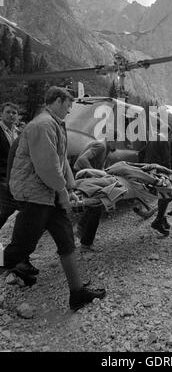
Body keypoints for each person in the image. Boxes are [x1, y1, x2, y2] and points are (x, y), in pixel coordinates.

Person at [2, 86, 106, 311]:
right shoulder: (43, 125)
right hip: (35, 196)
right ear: (57, 101)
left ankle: (77, 293)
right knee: (18, 249)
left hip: (48, 196)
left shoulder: (56, 125)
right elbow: (47, 168)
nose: (70, 110)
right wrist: (63, 193)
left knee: (66, 240)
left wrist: (71, 187)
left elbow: (62, 161)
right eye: (69, 104)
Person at [73, 134, 117, 252]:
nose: (117, 146)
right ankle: (86, 243)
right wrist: (94, 174)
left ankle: (81, 229)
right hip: (82, 176)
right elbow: (82, 160)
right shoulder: (101, 146)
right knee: (96, 206)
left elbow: (99, 167)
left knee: (93, 206)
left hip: (86, 176)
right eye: (117, 142)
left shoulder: (105, 147)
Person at [0, 102, 20, 230]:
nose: (11, 115)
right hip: (1, 175)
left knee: (9, 207)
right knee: (10, 205)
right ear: (1, 114)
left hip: (15, 175)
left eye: (14, 113)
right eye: (8, 112)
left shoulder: (18, 132)